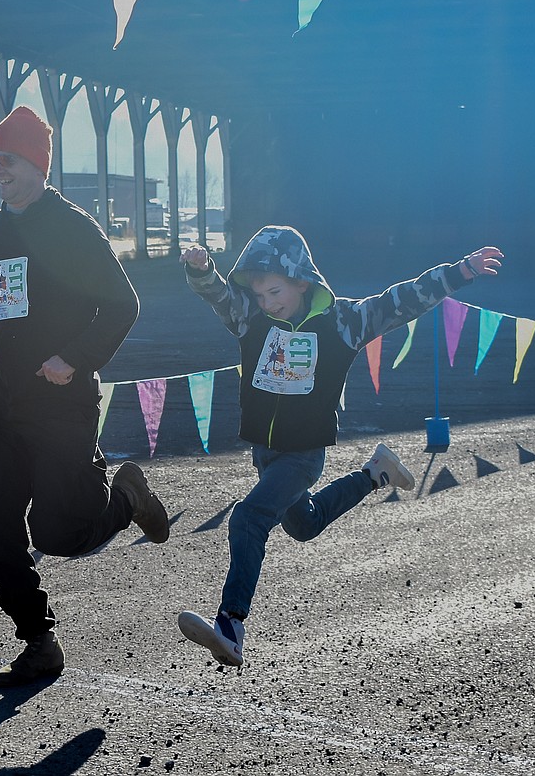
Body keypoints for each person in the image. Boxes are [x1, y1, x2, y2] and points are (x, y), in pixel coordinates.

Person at [177, 225, 503, 667]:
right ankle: (376, 473)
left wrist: (459, 272)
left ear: (301, 280)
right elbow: (219, 296)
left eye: (275, 291)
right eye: (260, 296)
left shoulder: (344, 323)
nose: (268, 303)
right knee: (304, 524)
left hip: (303, 455)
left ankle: (231, 625)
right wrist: (202, 271)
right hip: (265, 451)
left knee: (249, 518)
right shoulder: (251, 319)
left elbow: (401, 301)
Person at [0, 105, 170, 687]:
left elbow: (123, 304)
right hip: (6, 403)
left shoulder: (72, 227)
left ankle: (124, 497)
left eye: (8, 159)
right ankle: (39, 643)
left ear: (37, 165)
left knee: (59, 535)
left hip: (63, 403)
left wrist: (75, 358)